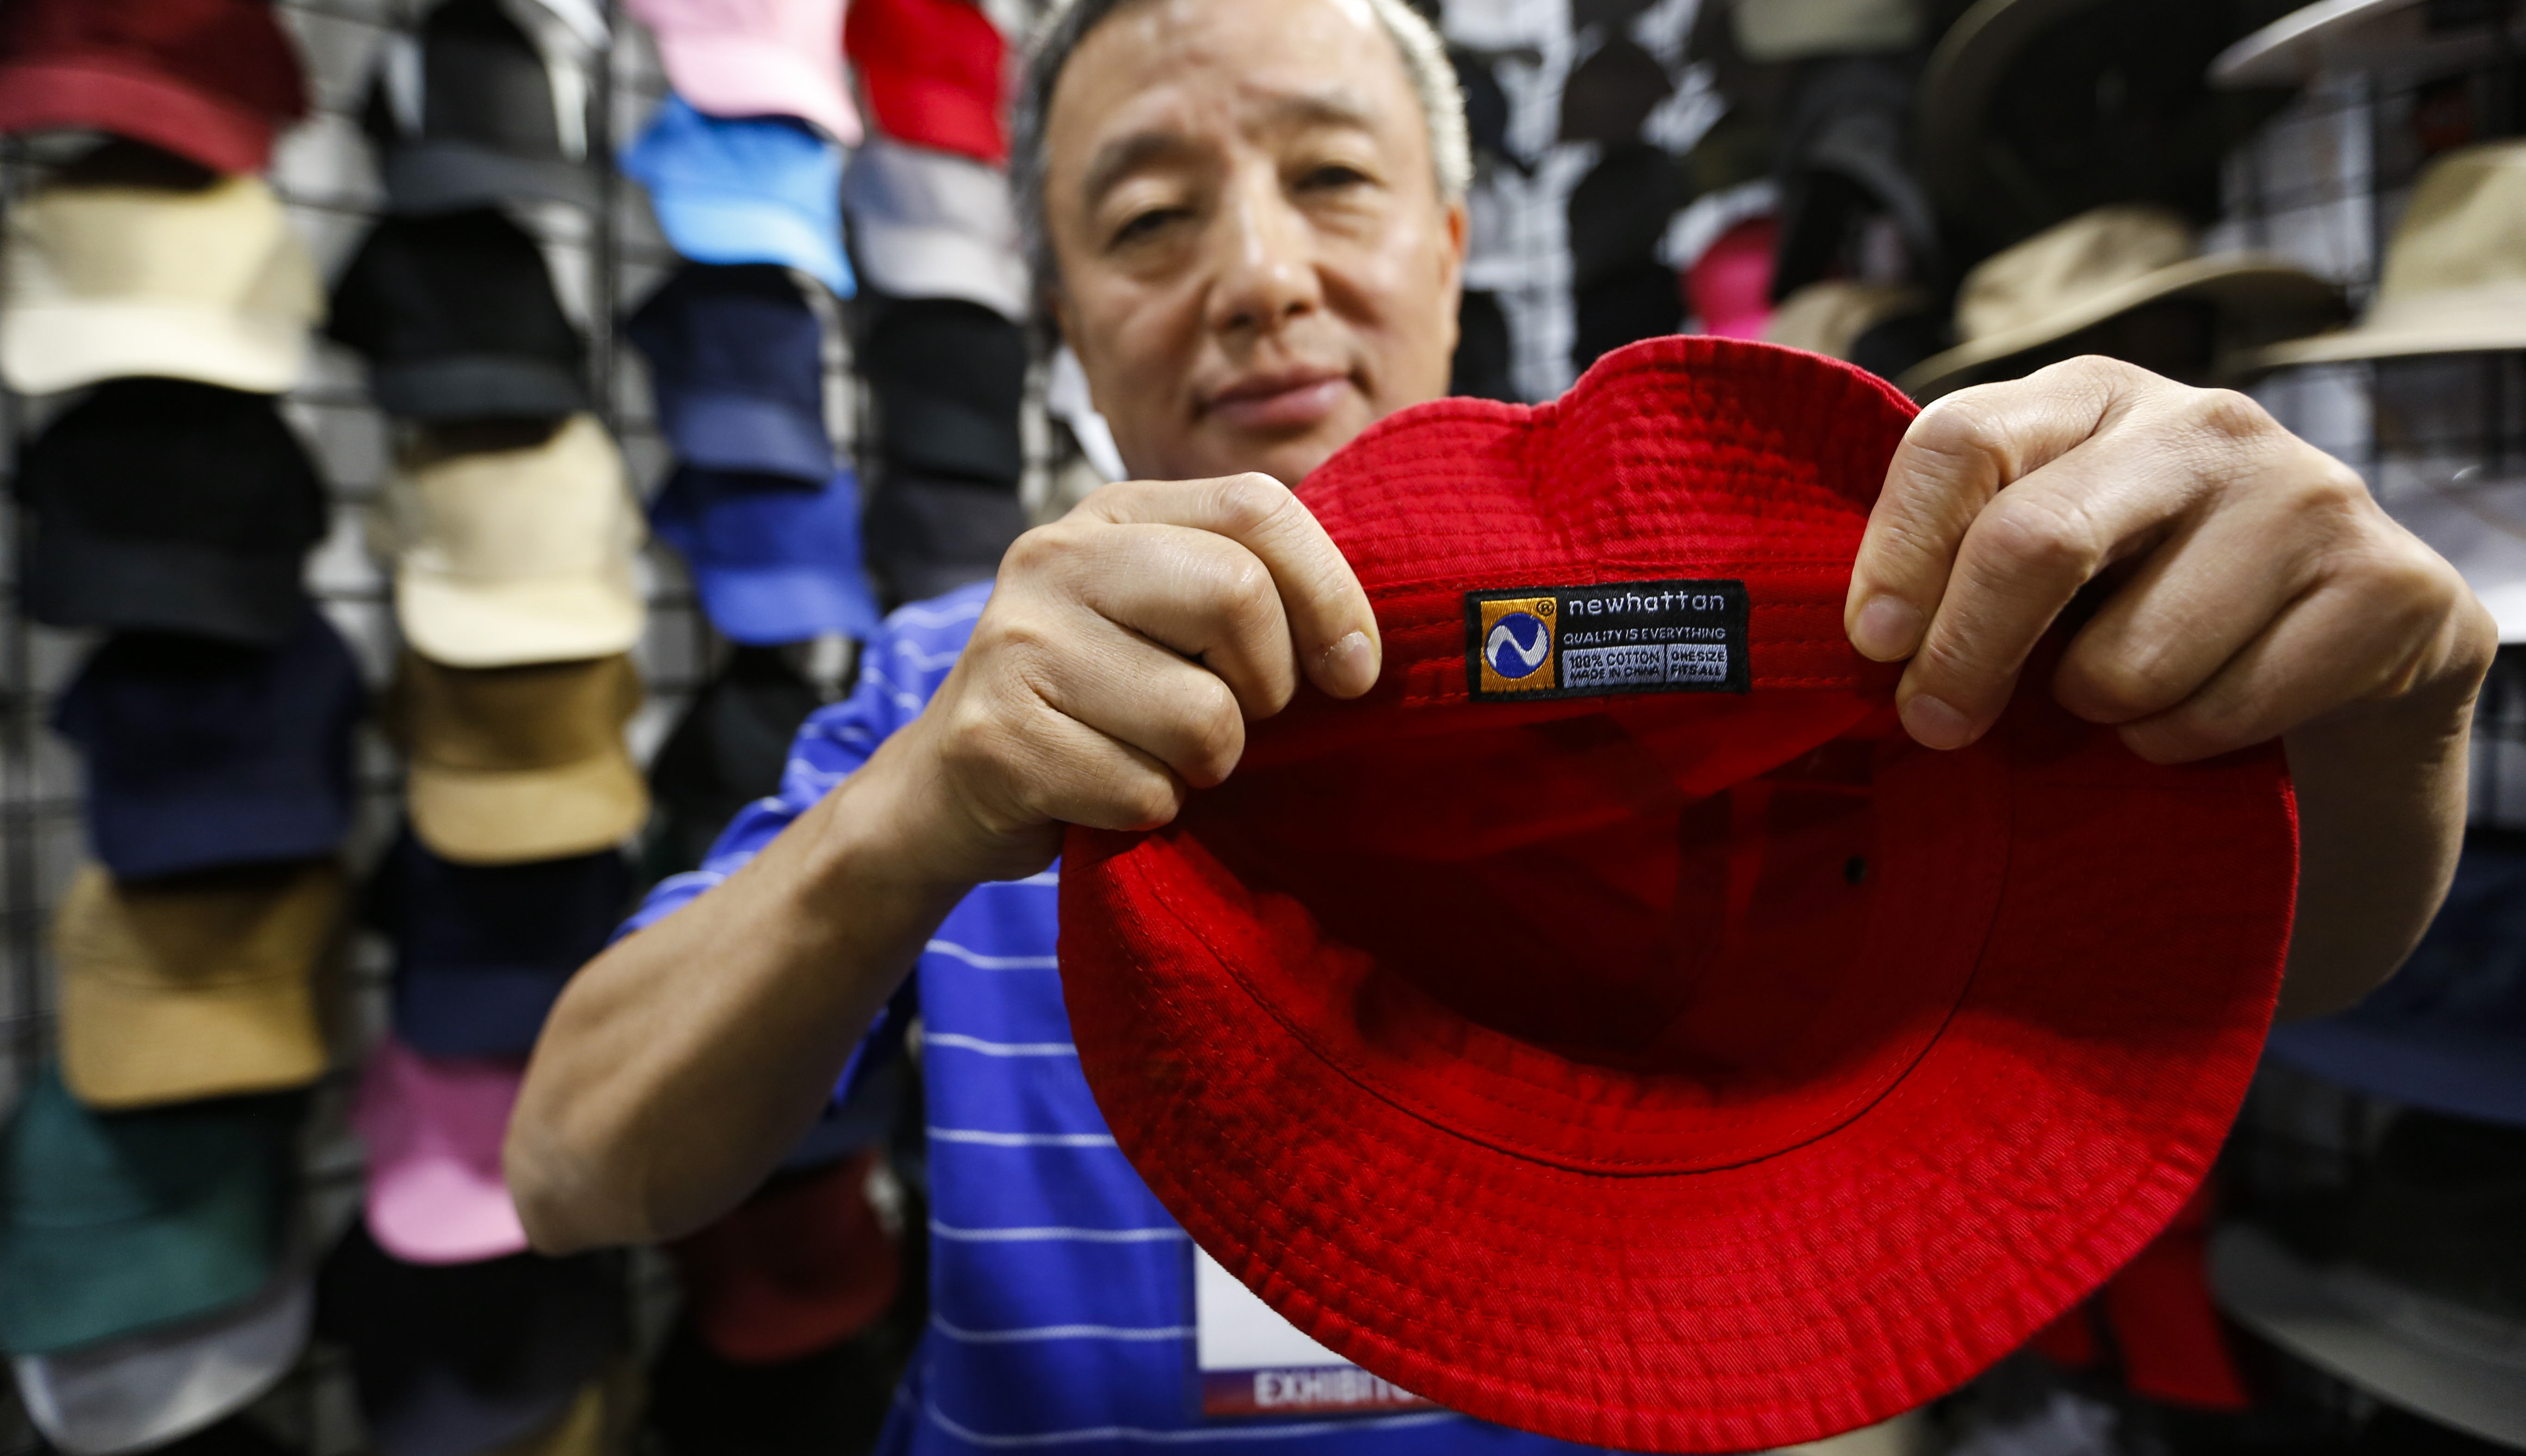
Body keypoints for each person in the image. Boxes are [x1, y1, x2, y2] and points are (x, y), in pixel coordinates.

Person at [509, 0, 2496, 1448]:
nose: (1260, 277)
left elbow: (2236, 970)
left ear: (1451, 250)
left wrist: (2392, 714)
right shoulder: (964, 693)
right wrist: (908, 817)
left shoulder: (1786, 623)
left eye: (1332, 177)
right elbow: (577, 1166)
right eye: (1147, 222)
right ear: (1065, 323)